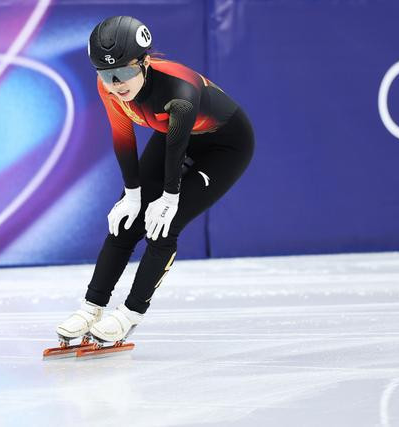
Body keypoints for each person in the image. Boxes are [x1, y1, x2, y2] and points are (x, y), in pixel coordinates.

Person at [55, 16, 254, 346]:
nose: (116, 84)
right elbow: (123, 137)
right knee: (126, 221)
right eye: (106, 74)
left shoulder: (179, 90)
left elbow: (177, 147)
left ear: (145, 62)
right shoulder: (109, 87)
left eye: (125, 72)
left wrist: (169, 197)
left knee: (165, 224)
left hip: (223, 148)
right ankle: (91, 307)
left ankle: (131, 312)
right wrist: (132, 194)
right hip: (172, 134)